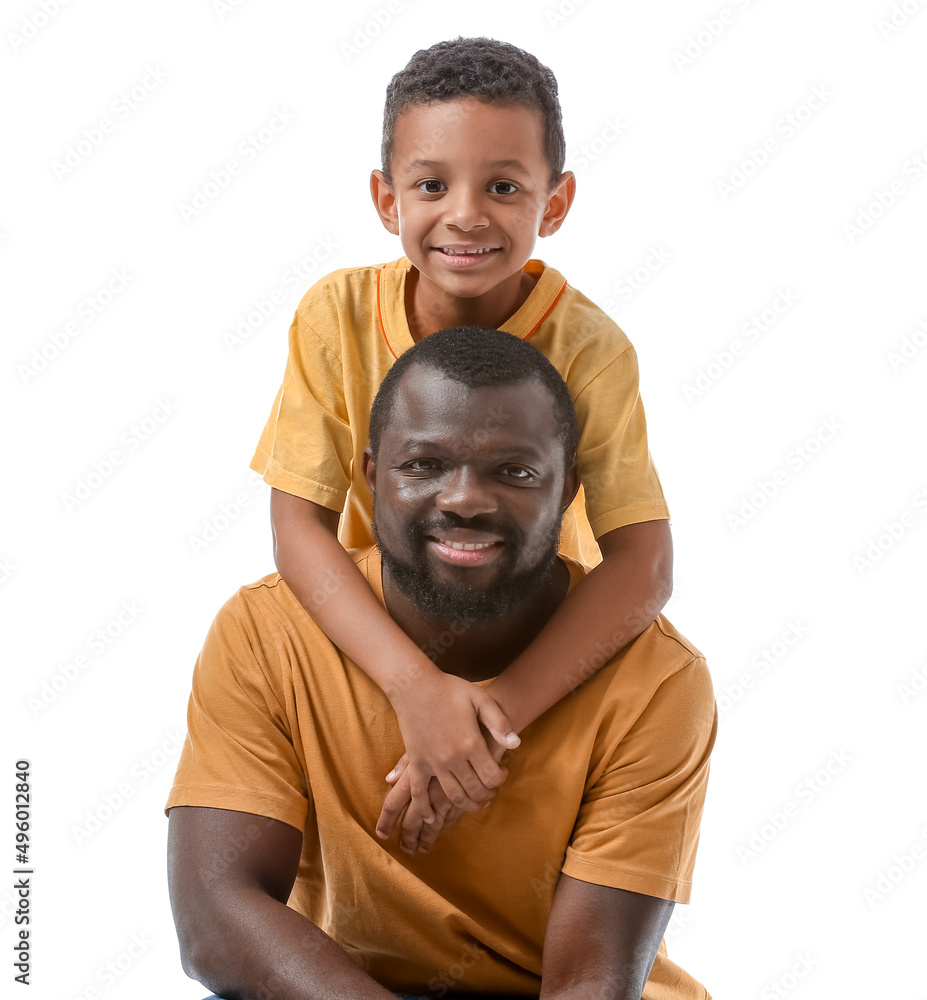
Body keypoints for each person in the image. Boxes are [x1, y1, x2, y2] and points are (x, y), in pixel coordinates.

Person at [167, 328, 716, 1000]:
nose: (464, 500)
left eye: (513, 471)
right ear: (370, 477)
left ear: (567, 490)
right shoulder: (267, 632)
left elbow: (589, 983)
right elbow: (215, 920)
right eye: (423, 465)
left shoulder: (656, 678)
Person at [250, 37, 674, 847]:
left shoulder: (591, 350)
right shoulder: (332, 317)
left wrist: (488, 718)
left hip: (529, 658)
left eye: (504, 186)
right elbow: (296, 523)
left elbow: (643, 563)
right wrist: (415, 688)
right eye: (431, 184)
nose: (466, 214)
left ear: (554, 202)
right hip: (377, 648)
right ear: (386, 199)